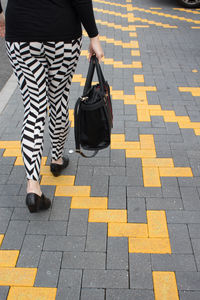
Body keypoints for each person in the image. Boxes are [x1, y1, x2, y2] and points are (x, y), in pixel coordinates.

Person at [0, 0, 103, 213]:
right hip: (62, 34)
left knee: (34, 108)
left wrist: (1, 16)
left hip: (21, 33)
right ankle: (56, 159)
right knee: (58, 98)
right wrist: (94, 36)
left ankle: (33, 187)